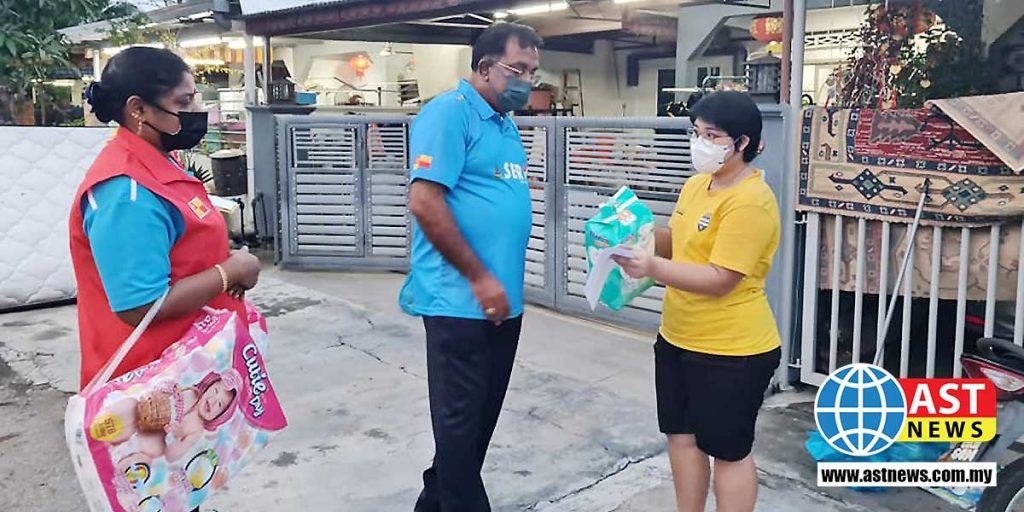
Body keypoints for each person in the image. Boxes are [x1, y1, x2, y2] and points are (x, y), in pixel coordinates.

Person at [69, 47, 261, 512]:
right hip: (148, 383)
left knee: (184, 490)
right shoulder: (126, 192)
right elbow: (140, 305)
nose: (198, 110)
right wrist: (228, 272)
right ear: (138, 109)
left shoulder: (159, 163)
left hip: (185, 372)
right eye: (185, 101)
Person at [613, 91, 782, 512]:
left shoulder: (752, 201)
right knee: (681, 437)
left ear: (742, 143)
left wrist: (650, 267)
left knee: (728, 451)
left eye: (711, 135)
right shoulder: (696, 186)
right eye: (696, 132)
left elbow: (721, 278)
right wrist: (635, 234)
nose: (699, 143)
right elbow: (677, 241)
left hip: (732, 351)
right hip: (677, 337)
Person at [398, 22, 541, 512]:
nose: (528, 80)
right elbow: (425, 202)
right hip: (459, 303)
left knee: (471, 436)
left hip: (502, 304)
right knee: (460, 434)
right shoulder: (450, 113)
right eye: (518, 69)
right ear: (484, 67)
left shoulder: (504, 125)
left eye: (533, 71)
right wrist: (479, 277)